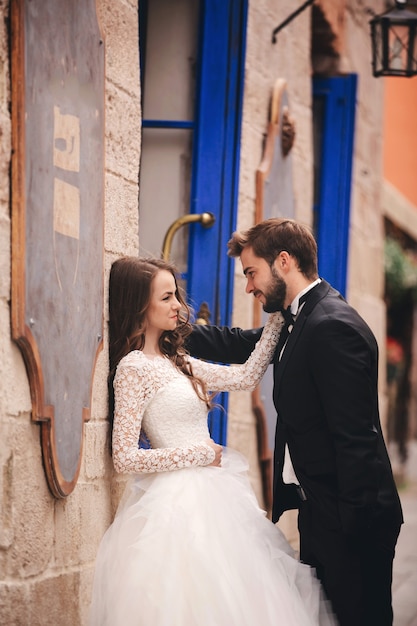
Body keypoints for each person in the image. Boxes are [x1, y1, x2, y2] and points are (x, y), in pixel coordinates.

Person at [89, 256, 336, 626]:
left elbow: (245, 377)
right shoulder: (133, 368)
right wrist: (198, 453)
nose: (179, 306)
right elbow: (124, 457)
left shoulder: (178, 361)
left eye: (176, 295)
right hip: (170, 509)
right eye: (166, 298)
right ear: (140, 304)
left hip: (215, 496)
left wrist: (277, 319)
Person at [187, 218, 404, 626]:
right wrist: (169, 328)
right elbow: (236, 342)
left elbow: (356, 437)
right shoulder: (294, 320)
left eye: (252, 272)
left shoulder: (332, 326)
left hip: (350, 521)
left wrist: (351, 532)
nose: (249, 286)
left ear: (283, 261)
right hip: (321, 513)